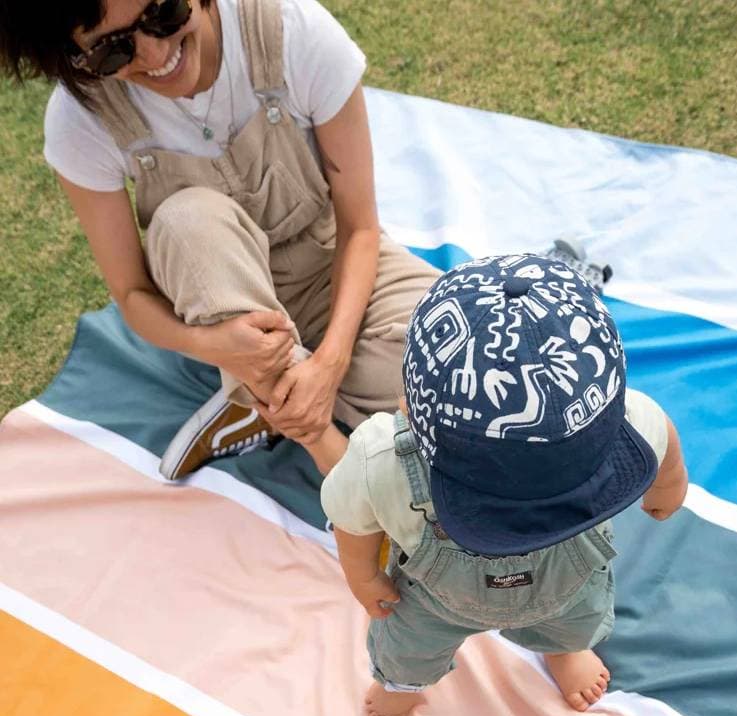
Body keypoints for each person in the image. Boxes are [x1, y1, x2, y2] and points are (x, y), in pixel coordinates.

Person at [0, 0, 441, 478]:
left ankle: (260, 400)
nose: (154, 54)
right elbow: (131, 293)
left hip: (337, 266)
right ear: (72, 56)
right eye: (113, 50)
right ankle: (320, 444)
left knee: (458, 364)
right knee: (187, 219)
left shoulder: (292, 31)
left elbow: (359, 228)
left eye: (164, 13)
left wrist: (330, 364)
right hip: (220, 300)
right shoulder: (80, 121)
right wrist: (212, 344)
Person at [319, 252, 688, 716]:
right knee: (410, 651)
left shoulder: (380, 457)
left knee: (571, 623)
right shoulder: (382, 461)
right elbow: (665, 450)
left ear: (408, 401)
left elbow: (353, 525)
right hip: (441, 601)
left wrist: (366, 577)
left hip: (562, 591)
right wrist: (664, 495)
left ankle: (562, 647)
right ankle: (402, 684)